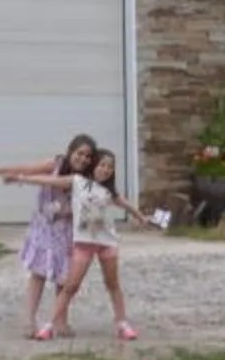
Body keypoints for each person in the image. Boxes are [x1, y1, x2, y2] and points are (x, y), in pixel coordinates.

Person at [9, 147, 156, 342]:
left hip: (107, 243)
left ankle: (122, 323)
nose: (105, 170)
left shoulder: (109, 191)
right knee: (70, 286)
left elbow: (126, 205)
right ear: (93, 165)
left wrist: (142, 218)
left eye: (109, 167)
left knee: (112, 284)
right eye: (102, 165)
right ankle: (50, 325)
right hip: (83, 244)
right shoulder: (78, 182)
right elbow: (50, 181)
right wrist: (22, 178)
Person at [0, 134, 98, 335]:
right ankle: (29, 320)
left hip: (67, 231)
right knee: (38, 274)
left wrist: (22, 180)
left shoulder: (84, 180)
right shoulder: (56, 163)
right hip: (45, 226)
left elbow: (60, 185)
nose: (83, 159)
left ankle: (60, 321)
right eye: (79, 153)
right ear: (70, 151)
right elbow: (28, 168)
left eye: (88, 157)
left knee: (64, 277)